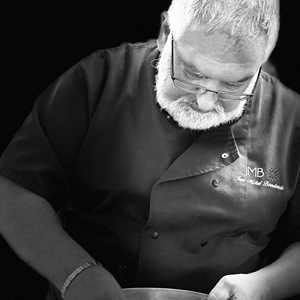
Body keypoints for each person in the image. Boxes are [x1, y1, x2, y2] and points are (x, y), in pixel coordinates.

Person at [0, 0, 299, 299]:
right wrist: (75, 273)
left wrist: (265, 285)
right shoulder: (101, 79)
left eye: (235, 84)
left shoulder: (290, 119)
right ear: (165, 32)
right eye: (192, 74)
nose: (206, 101)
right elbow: (14, 189)